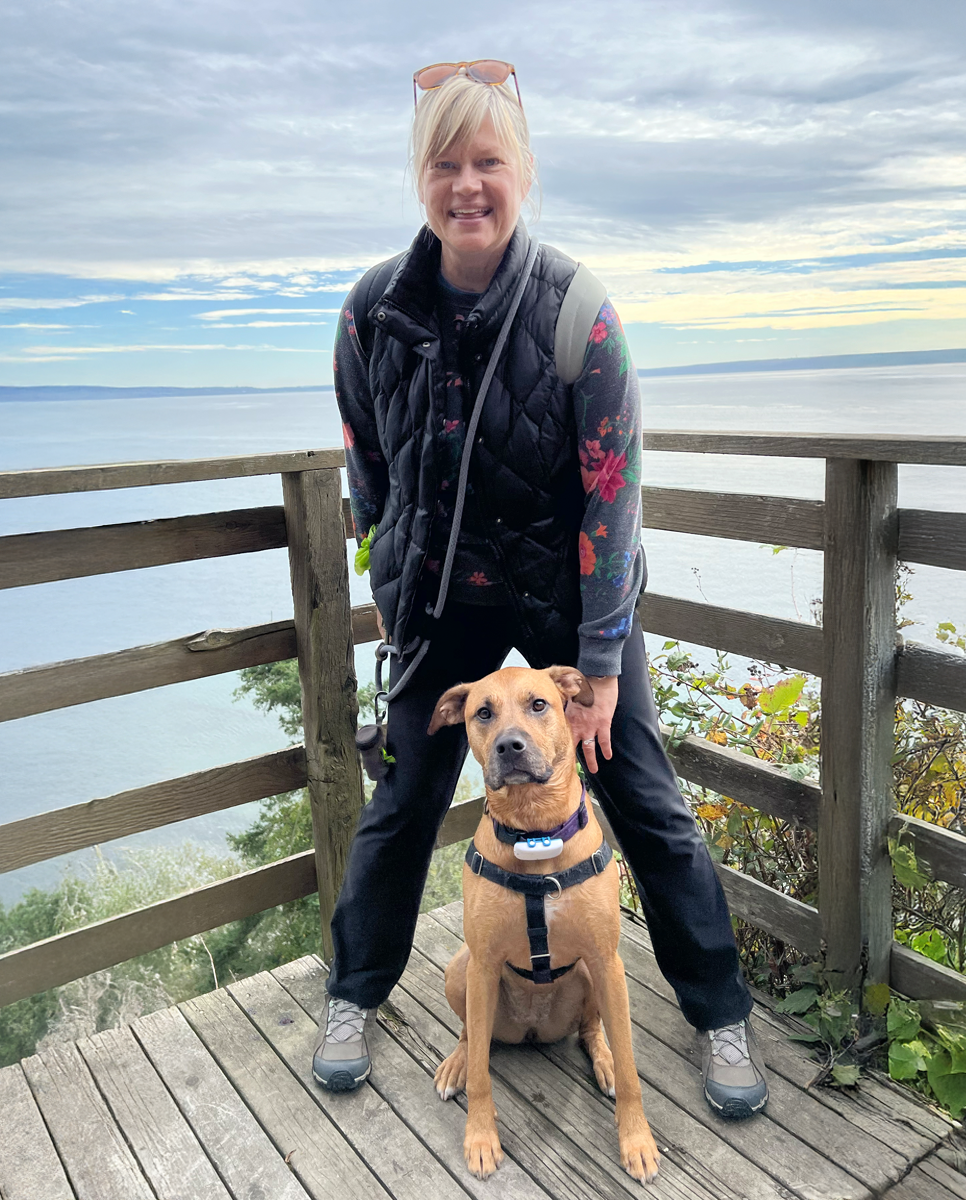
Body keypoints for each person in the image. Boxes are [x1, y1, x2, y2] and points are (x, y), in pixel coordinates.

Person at [314, 59, 769, 1120]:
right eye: (444, 163)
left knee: (645, 798)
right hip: (445, 603)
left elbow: (615, 504)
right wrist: (394, 583)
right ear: (418, 178)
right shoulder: (373, 311)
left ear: (523, 174)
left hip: (567, 599)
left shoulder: (580, 312)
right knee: (406, 799)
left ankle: (719, 1015)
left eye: (488, 161)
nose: (467, 184)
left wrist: (600, 667)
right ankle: (354, 995)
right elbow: (366, 469)